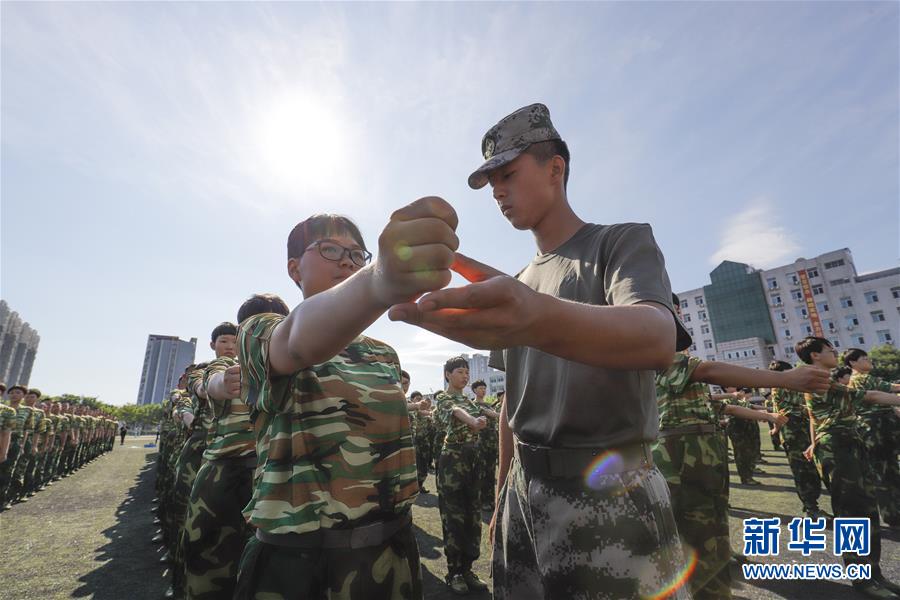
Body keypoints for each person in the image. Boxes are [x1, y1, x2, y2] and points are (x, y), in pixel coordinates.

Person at [390, 103, 693, 599]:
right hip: (522, 491)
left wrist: (535, 314)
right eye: (491, 186)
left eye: (508, 174)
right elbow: (514, 401)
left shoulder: (618, 243)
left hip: (610, 491)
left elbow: (657, 337)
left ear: (556, 168)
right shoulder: (520, 282)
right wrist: (500, 495)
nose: (499, 193)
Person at [233, 204, 457, 600]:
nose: (348, 261)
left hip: (388, 551)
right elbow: (298, 342)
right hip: (300, 562)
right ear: (294, 269)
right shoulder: (260, 330)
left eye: (358, 254)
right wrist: (377, 282)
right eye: (331, 250)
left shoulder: (383, 353)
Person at [654, 338, 827, 600]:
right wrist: (784, 378)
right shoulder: (665, 358)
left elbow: (727, 406)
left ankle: (716, 588)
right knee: (698, 535)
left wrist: (768, 416)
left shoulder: (687, 382)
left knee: (713, 528)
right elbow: (709, 370)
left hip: (701, 453)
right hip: (684, 455)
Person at [799, 337, 900, 598]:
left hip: (849, 444)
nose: (835, 352)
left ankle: (873, 574)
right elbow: (871, 396)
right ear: (814, 356)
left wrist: (813, 442)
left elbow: (813, 417)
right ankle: (862, 580)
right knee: (852, 513)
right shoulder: (815, 380)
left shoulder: (826, 380)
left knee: (866, 509)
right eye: (829, 349)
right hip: (838, 448)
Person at [434, 357, 489, 595]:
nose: (465, 376)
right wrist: (474, 422)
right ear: (448, 375)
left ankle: (467, 568)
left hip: (472, 460)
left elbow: (483, 411)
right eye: (460, 372)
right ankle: (454, 571)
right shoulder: (443, 398)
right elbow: (456, 412)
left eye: (467, 372)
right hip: (452, 463)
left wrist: (501, 417)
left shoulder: (469, 399)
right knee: (454, 517)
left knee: (472, 515)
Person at [843, 348, 900, 528]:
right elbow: (891, 388)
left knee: (887, 470)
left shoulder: (860, 379)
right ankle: (892, 515)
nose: (869, 361)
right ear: (853, 362)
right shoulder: (861, 378)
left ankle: (893, 512)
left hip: (877, 428)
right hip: (876, 429)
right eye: (864, 358)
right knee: (884, 472)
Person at [767, 360, 827, 519]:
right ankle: (811, 508)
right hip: (793, 431)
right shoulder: (783, 385)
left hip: (800, 428)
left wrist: (776, 430)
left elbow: (777, 412)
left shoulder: (780, 387)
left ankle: (812, 505)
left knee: (811, 468)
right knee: (803, 471)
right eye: (790, 371)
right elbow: (784, 411)